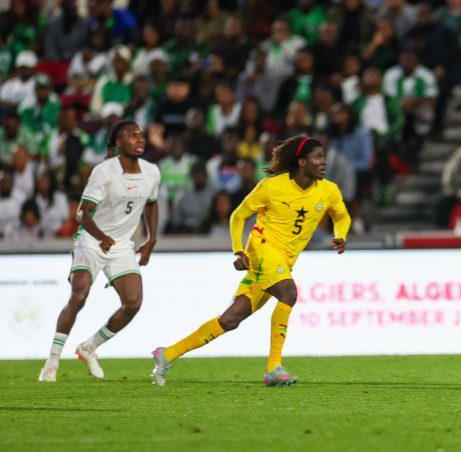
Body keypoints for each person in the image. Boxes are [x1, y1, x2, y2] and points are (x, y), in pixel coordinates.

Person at [152, 135, 350, 387]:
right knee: (289, 293)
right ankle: (274, 367)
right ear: (302, 162)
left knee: (230, 319)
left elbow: (342, 216)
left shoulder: (329, 190)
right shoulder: (271, 186)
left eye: (324, 157)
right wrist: (238, 250)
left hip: (284, 261)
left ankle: (167, 354)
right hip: (263, 249)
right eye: (318, 157)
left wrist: (340, 235)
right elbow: (238, 216)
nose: (324, 162)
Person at [39, 120, 160, 382]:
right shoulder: (104, 172)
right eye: (131, 136)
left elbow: (151, 204)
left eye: (141, 135)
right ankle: (52, 362)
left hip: (121, 245)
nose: (139, 139)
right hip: (92, 240)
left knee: (133, 303)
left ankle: (89, 347)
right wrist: (101, 237)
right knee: (79, 296)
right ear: (118, 143)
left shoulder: (152, 172)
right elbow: (82, 214)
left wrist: (151, 239)